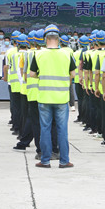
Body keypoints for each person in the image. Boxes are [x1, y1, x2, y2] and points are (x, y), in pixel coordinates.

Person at [31, 24, 75, 169]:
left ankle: (45, 160)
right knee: (62, 130)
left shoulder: (38, 54)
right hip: (61, 98)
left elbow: (32, 74)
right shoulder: (67, 54)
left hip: (44, 97)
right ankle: (64, 161)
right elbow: (73, 74)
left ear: (45, 39)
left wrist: (42, 76)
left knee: (45, 129)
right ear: (58, 38)